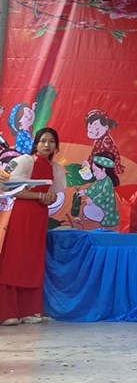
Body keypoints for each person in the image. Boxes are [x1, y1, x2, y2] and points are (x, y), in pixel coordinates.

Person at [0, 127, 66, 326]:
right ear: (36, 143)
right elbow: (9, 189)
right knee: (15, 259)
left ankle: (29, 310)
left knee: (33, 260)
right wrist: (38, 195)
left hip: (39, 215)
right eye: (43, 141)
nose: (47, 145)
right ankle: (7, 311)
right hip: (22, 214)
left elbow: (53, 194)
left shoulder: (56, 168)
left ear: (56, 146)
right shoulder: (24, 161)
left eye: (51, 141)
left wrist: (49, 198)